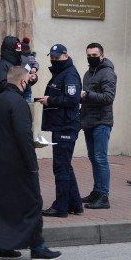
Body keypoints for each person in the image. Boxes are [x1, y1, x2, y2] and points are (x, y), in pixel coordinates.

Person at [0, 66, 61, 260]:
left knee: (3, 204)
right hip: (18, 162)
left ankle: (4, 246)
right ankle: (38, 247)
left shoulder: (0, 100)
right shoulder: (18, 103)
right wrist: (32, 162)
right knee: (31, 203)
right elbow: (23, 136)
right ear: (23, 82)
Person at [39, 44, 84, 217]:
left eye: (57, 57)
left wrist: (51, 100)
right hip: (61, 125)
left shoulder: (70, 74)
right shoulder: (62, 73)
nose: (53, 60)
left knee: (61, 167)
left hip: (66, 126)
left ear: (66, 56)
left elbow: (72, 100)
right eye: (52, 57)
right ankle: (75, 203)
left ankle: (61, 207)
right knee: (65, 166)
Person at [80, 42, 117, 210]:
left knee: (101, 159)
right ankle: (96, 191)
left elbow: (108, 98)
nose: (91, 58)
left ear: (102, 56)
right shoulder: (88, 73)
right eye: (89, 55)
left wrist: (87, 95)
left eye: (94, 55)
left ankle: (104, 197)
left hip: (102, 121)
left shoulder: (108, 73)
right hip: (89, 121)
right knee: (94, 158)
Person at [0, 35, 37, 102]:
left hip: (18, 99)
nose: (18, 50)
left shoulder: (23, 60)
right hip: (3, 101)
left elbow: (28, 78)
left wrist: (32, 78)